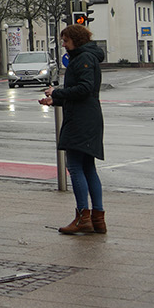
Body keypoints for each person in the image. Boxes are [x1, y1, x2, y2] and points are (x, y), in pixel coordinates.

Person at [40, 23, 107, 235]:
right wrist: (55, 100)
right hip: (89, 116)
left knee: (75, 166)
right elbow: (82, 93)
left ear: (76, 41)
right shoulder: (87, 57)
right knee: (88, 167)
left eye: (66, 40)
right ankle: (98, 218)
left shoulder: (83, 58)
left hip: (81, 120)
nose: (63, 44)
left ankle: (83, 217)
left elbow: (84, 89)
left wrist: (57, 93)